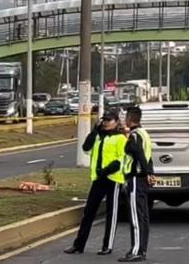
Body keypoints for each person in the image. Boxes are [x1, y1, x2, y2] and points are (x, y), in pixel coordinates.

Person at [65, 109, 127, 256]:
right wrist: (94, 131)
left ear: (116, 122)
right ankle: (78, 245)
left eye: (109, 120)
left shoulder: (120, 138)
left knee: (111, 214)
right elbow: (86, 148)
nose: (106, 122)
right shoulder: (98, 137)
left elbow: (122, 160)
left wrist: (106, 170)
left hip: (113, 179)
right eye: (104, 120)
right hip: (98, 179)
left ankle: (107, 246)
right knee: (88, 212)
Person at [119, 107, 155, 262]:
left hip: (135, 178)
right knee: (143, 216)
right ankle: (142, 250)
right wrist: (150, 173)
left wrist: (147, 173)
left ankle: (136, 251)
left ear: (129, 119)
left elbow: (138, 153)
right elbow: (148, 156)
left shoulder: (134, 136)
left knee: (135, 217)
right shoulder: (144, 134)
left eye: (125, 117)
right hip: (142, 178)